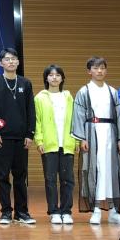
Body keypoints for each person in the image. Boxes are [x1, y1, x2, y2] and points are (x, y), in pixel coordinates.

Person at [72, 57, 120, 225]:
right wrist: (82, 138)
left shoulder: (112, 91)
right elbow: (78, 115)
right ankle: (96, 209)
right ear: (89, 71)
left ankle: (113, 211)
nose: (99, 71)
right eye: (96, 68)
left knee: (111, 170)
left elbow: (118, 116)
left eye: (102, 68)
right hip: (92, 133)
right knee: (94, 170)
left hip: (110, 133)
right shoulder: (84, 91)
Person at [0, 47, 36, 225]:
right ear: (1, 63)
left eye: (14, 58)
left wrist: (30, 133)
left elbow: (31, 110)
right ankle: (6, 212)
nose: (11, 61)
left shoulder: (25, 83)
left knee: (21, 176)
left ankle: (22, 212)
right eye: (7, 59)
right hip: (2, 138)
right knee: (3, 176)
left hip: (22, 138)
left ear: (18, 62)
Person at [33, 64, 77, 225]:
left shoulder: (68, 97)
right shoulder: (40, 98)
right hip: (49, 144)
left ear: (62, 78)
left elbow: (75, 120)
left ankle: (66, 211)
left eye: (58, 75)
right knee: (50, 179)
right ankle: (54, 212)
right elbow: (37, 121)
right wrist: (39, 140)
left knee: (68, 180)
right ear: (46, 78)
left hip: (67, 143)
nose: (54, 78)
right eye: (51, 75)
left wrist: (76, 140)